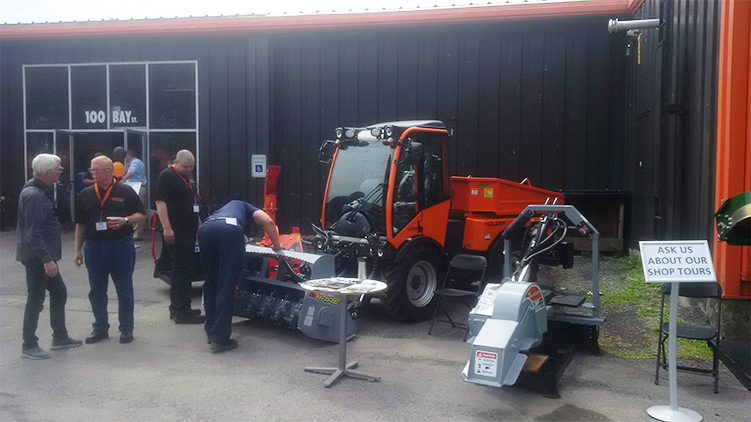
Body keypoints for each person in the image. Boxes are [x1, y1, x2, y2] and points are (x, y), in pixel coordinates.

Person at [16, 154, 83, 359]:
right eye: (58, 168)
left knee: (59, 292)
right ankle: (29, 344)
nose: (61, 170)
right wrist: (46, 260)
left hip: (42, 255)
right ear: (48, 172)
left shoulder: (40, 190)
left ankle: (60, 336)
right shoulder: (35, 195)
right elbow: (33, 233)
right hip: (38, 257)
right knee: (35, 299)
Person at [73, 156, 146, 344]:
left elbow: (141, 214)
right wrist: (77, 250)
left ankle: (126, 329)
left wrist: (125, 221)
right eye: (92, 170)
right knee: (96, 290)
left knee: (124, 288)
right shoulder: (86, 194)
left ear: (110, 171)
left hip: (120, 244)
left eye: (98, 170)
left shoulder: (125, 191)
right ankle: (100, 328)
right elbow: (80, 224)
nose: (94, 173)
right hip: (94, 246)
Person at [198, 201, 282, 353]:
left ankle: (211, 331)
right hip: (229, 231)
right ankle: (220, 339)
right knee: (226, 284)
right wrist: (277, 246)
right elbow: (268, 221)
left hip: (205, 229)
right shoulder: (245, 207)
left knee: (211, 281)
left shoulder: (223, 209)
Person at [154, 149, 205, 324]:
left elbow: (193, 203)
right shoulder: (166, 177)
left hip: (189, 229)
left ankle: (177, 307)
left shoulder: (187, 178)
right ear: (176, 162)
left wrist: (198, 223)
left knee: (181, 270)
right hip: (176, 230)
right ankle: (183, 310)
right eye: (185, 166)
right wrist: (167, 228)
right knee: (184, 269)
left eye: (191, 167)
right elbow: (160, 203)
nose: (189, 169)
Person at [121, 149, 148, 241]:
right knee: (133, 209)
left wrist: (123, 179)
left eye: (126, 156)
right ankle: (135, 232)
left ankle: (137, 233)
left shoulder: (136, 162)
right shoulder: (132, 164)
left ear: (129, 155)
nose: (125, 158)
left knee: (137, 209)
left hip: (137, 187)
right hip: (133, 187)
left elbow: (131, 172)